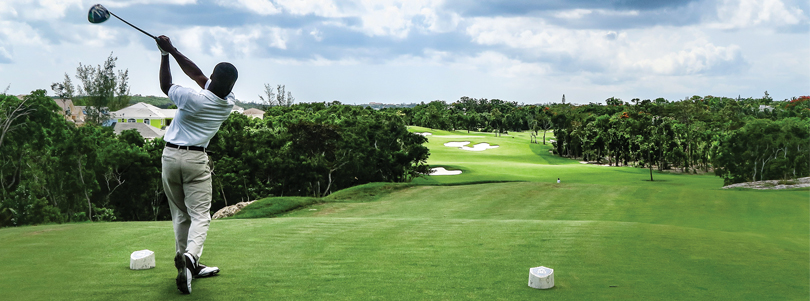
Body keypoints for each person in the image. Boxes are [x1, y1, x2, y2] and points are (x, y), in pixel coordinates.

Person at [157, 35, 237, 294]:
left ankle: (188, 260)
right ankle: (191, 260)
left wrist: (165, 54)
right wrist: (173, 50)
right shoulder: (228, 102)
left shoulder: (192, 98)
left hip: (170, 157)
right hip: (196, 159)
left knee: (181, 215)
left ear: (213, 78)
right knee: (201, 214)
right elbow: (199, 75)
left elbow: (166, 84)